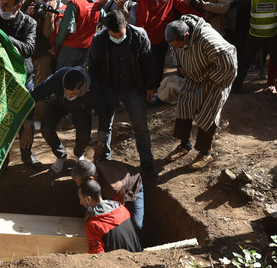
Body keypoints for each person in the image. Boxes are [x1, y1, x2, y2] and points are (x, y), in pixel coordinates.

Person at [88, 10, 157, 177]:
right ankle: (105, 164)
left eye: (121, 34)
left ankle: (147, 165)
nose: (118, 38)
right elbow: (94, 68)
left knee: (141, 127)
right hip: (109, 88)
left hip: (133, 88)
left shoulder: (139, 36)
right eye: (114, 35)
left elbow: (149, 63)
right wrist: (97, 93)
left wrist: (151, 86)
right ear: (107, 30)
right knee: (106, 125)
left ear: (126, 25)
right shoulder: (98, 40)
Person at [164, 16, 237, 170]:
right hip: (196, 74)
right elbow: (174, 48)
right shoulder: (178, 32)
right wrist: (179, 64)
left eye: (177, 45)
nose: (175, 48)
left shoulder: (208, 40)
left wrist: (207, 78)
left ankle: (205, 153)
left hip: (218, 77)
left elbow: (230, 66)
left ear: (186, 36)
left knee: (208, 113)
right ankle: (185, 145)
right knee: (184, 103)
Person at [0, 0, 39, 167]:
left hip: (24, 79)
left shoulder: (29, 23)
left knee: (26, 121)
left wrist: (4, 38)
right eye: (0, 2)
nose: (1, 7)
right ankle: (2, 160)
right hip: (0, 80)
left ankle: (27, 155)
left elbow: (29, 49)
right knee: (1, 122)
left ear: (19, 6)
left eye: (7, 4)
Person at [30, 67, 110, 173]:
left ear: (84, 87)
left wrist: (100, 142)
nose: (68, 96)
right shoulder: (57, 78)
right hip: (58, 102)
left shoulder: (94, 89)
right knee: (46, 129)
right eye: (66, 92)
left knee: (84, 137)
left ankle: (79, 154)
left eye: (72, 94)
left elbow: (104, 114)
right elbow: (35, 94)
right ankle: (61, 155)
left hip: (82, 107)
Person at [136, 0, 200, 82]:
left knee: (147, 65)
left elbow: (143, 17)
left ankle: (149, 92)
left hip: (150, 35)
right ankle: (156, 91)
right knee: (160, 63)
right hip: (166, 34)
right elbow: (182, 6)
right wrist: (201, 16)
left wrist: (138, 36)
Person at [53, 0, 110, 69]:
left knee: (62, 78)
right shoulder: (96, 3)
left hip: (69, 48)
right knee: (79, 79)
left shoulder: (74, 3)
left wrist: (56, 43)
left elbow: (66, 26)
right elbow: (106, 19)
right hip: (87, 48)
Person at [71, 159, 144, 233]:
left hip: (133, 184)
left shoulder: (113, 189)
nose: (78, 185)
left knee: (136, 224)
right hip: (118, 174)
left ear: (91, 179)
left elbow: (117, 212)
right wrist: (89, 211)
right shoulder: (89, 169)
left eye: (80, 183)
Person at [78, 180, 142, 254]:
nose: (80, 202)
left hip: (118, 263)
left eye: (80, 199)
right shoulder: (121, 208)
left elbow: (97, 253)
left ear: (88, 199)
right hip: (135, 256)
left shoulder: (93, 224)